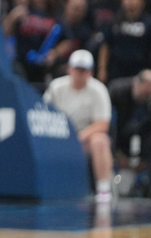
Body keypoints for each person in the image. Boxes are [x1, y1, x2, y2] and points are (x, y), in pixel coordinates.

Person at [43, 50, 114, 200]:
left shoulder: (99, 90)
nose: (80, 73)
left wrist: (78, 137)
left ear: (91, 72)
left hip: (84, 139)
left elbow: (102, 124)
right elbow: (44, 113)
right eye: (77, 69)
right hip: (59, 136)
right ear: (69, 69)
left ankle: (103, 189)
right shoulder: (56, 87)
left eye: (84, 70)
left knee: (100, 140)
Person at [108, 69, 151, 197]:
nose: (144, 98)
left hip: (145, 134)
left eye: (148, 95)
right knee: (106, 141)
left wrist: (147, 161)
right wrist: (117, 155)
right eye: (142, 95)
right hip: (121, 134)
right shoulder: (117, 92)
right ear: (135, 84)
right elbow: (109, 127)